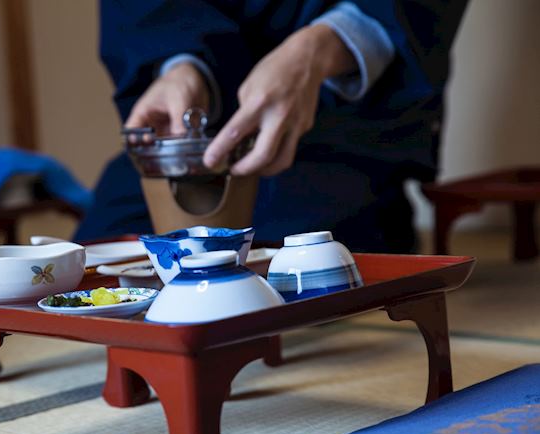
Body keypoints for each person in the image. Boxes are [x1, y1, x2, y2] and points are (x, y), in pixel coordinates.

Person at [75, 1, 468, 253]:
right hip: (209, 121)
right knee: (101, 249)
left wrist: (318, 50)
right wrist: (180, 65)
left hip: (340, 126)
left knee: (303, 258)